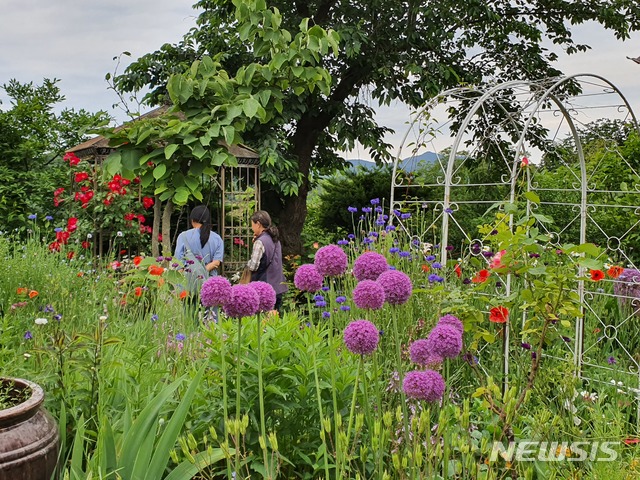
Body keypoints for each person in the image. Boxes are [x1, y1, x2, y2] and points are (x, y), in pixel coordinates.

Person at [175, 205, 224, 319]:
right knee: (211, 318)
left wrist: (192, 273)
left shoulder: (183, 236)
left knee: (189, 317)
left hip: (188, 284)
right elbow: (217, 262)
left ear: (192, 220)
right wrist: (202, 272)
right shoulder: (217, 238)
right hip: (210, 284)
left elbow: (178, 263)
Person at [247, 210, 288, 313]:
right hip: (279, 286)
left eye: (252, 224)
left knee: (263, 323)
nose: (252, 228)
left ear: (258, 224)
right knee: (274, 322)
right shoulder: (275, 239)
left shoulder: (260, 242)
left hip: (264, 288)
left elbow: (253, 266)